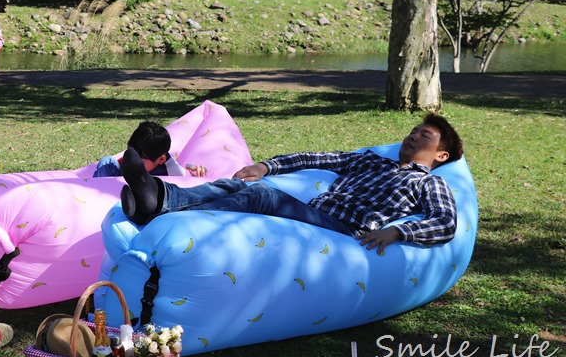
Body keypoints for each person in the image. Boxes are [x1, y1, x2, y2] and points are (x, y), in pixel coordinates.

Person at [119, 114, 463, 254]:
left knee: (264, 197)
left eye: (424, 136)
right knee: (238, 186)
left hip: (344, 230)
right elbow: (318, 158)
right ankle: (160, 198)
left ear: (441, 155)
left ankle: (157, 211)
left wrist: (398, 233)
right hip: (313, 216)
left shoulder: (429, 184)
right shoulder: (372, 160)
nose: (413, 137)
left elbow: (446, 223)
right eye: (413, 131)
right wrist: (267, 165)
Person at [94, 121, 206, 178]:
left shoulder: (171, 170)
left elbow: (184, 188)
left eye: (141, 162)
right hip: (118, 186)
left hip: (142, 199)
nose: (133, 163)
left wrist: (197, 180)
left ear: (161, 160)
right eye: (130, 155)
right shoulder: (133, 157)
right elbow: (118, 164)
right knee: (107, 161)